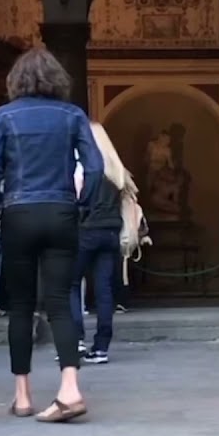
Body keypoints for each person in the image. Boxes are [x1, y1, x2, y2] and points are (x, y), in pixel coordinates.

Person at [0, 47, 103, 423]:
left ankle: (22, 396)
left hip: (18, 212)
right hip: (62, 210)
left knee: (19, 306)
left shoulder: (2, 117)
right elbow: (95, 167)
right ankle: (70, 388)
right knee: (61, 301)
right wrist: (83, 206)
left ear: (16, 81)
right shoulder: (73, 115)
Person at [68, 122, 128, 364]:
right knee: (104, 289)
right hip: (111, 232)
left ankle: (76, 340)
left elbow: (76, 198)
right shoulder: (117, 170)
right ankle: (101, 347)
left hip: (85, 230)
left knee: (71, 283)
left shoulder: (83, 167)